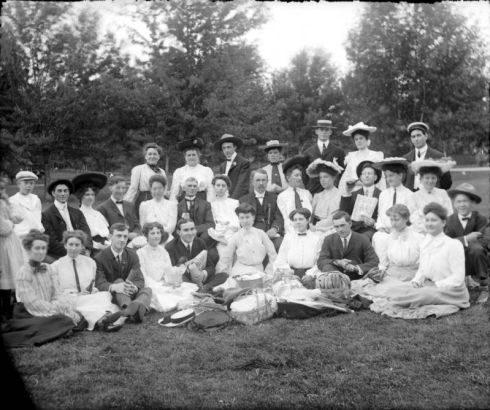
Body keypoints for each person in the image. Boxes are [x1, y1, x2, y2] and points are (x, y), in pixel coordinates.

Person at [368, 203, 470, 319]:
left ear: (443, 223)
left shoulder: (453, 244)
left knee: (418, 294)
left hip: (451, 290)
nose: (430, 224)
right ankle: (401, 297)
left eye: (434, 221)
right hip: (430, 285)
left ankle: (398, 301)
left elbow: (458, 276)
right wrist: (416, 281)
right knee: (403, 291)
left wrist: (436, 285)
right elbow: (423, 268)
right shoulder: (427, 241)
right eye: (427, 221)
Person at [52, 230, 123, 332]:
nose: (73, 248)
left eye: (77, 245)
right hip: (69, 298)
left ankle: (104, 320)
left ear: (82, 247)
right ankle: (103, 320)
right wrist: (74, 295)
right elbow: (55, 291)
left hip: (88, 295)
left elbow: (92, 284)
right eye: (70, 244)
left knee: (103, 296)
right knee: (81, 303)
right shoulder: (56, 266)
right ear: (65, 245)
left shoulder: (90, 263)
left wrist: (89, 291)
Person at [15, 230, 82, 325]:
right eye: (37, 248)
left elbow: (57, 292)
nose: (41, 252)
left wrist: (58, 306)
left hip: (52, 307)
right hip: (32, 312)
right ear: (28, 250)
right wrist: (54, 309)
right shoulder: (23, 273)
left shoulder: (49, 268)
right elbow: (31, 302)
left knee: (76, 316)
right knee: (64, 320)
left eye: (44, 248)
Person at [94, 223, 152, 323]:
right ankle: (135, 310)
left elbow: (139, 279)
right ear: (110, 237)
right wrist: (115, 287)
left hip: (130, 292)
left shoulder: (132, 255)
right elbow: (99, 283)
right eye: (118, 236)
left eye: (125, 236)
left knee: (147, 290)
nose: (122, 239)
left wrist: (133, 288)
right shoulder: (99, 258)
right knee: (119, 281)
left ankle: (132, 309)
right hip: (113, 295)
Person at [137, 222, 198, 312]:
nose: (156, 236)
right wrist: (160, 285)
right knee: (159, 295)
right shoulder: (140, 253)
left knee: (182, 290)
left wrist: (169, 281)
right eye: (152, 233)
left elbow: (168, 269)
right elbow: (143, 276)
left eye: (158, 233)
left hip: (164, 283)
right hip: (151, 285)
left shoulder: (163, 251)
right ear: (146, 236)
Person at [446, 183, 489, 304]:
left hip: (475, 256)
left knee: (477, 249)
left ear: (472, 203)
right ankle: (455, 284)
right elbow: (445, 242)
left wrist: (467, 244)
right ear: (454, 204)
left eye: (465, 201)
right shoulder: (449, 220)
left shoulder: (481, 218)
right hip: (454, 257)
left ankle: (484, 286)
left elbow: (484, 239)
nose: (462, 205)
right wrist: (465, 239)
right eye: (458, 201)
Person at [216, 203, 277, 277]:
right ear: (238, 219)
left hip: (258, 271)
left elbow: (273, 255)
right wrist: (223, 274)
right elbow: (225, 257)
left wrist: (268, 272)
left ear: (253, 217)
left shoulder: (261, 234)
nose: (245, 221)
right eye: (242, 218)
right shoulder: (236, 236)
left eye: (247, 217)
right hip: (240, 271)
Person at [166, 218, 228, 288]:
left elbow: (210, 266)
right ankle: (203, 290)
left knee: (224, 276)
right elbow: (173, 271)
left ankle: (201, 290)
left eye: (192, 229)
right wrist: (188, 263)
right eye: (186, 230)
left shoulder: (200, 242)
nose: (190, 233)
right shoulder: (170, 247)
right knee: (182, 280)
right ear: (178, 232)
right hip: (185, 281)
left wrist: (204, 274)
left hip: (201, 280)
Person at [317, 211, 379, 281]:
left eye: (342, 225)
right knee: (327, 267)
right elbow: (321, 261)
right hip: (335, 279)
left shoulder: (363, 239)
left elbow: (374, 261)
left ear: (350, 224)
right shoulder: (329, 239)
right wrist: (338, 262)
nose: (340, 229)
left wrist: (356, 268)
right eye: (336, 226)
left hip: (355, 278)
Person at [41, 179, 92, 262]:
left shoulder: (77, 213)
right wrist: (73, 251)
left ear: (69, 193)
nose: (63, 194)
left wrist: (87, 249)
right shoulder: (46, 215)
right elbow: (51, 242)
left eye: (65, 191)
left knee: (102, 257)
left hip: (81, 250)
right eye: (59, 191)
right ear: (53, 193)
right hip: (61, 253)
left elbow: (87, 233)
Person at [239, 169, 284, 252]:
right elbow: (243, 220)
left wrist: (274, 229)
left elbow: (279, 217)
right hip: (252, 233)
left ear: (267, 181)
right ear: (252, 182)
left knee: (280, 245)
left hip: (271, 233)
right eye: (258, 180)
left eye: (263, 180)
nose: (261, 183)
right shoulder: (244, 200)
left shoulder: (275, 198)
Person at [407, 159, 455, 234]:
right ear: (421, 179)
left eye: (433, 178)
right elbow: (413, 217)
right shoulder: (414, 196)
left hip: (439, 230)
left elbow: (449, 213)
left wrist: (438, 228)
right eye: (427, 178)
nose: (430, 181)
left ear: (437, 179)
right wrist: (425, 230)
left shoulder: (442, 193)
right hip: (419, 232)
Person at [0, 178, 25, 321]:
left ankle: (9, 307)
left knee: (10, 271)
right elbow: (4, 228)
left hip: (9, 242)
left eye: (2, 189)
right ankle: (5, 309)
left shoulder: (4, 202)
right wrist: (10, 223)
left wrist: (10, 209)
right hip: (3, 243)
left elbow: (19, 217)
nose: (1, 192)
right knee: (4, 273)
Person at [339, 160, 382, 241]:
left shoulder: (381, 194)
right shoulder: (354, 194)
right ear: (360, 178)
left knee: (361, 239)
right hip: (353, 228)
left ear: (375, 177)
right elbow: (343, 213)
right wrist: (347, 192)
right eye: (364, 174)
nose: (366, 176)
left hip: (371, 229)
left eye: (369, 174)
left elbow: (383, 216)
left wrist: (373, 222)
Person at [338, 122, 385, 195]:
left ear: (367, 140)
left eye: (361, 138)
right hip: (354, 192)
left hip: (371, 192)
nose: (358, 141)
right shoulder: (351, 157)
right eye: (356, 139)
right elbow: (346, 178)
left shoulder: (375, 156)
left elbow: (381, 179)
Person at [176, 177, 216, 261]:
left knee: (214, 255)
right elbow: (177, 225)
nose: (192, 188)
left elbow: (210, 224)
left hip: (202, 237)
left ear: (198, 189)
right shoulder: (178, 206)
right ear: (183, 188)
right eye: (189, 186)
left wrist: (194, 230)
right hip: (184, 237)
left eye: (194, 186)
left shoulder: (206, 204)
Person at [273, 208, 322, 279]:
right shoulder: (288, 238)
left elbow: (319, 262)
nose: (298, 222)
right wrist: (289, 274)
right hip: (291, 275)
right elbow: (281, 260)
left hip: (311, 276)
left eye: (301, 219)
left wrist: (311, 274)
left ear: (307, 220)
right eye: (295, 220)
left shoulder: (316, 239)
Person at [402, 122, 452, 191]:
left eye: (418, 135)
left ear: (426, 136)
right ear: (411, 139)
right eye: (413, 137)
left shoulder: (438, 156)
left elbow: (446, 183)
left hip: (431, 195)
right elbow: (403, 181)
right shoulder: (406, 158)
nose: (416, 139)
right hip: (411, 196)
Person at [303, 119, 346, 195]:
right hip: (314, 192)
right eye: (321, 129)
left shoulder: (339, 151)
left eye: (326, 130)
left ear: (330, 132)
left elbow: (343, 174)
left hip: (333, 193)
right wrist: (308, 190)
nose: (324, 132)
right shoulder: (308, 152)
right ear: (316, 131)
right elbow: (304, 176)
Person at [124, 142, 166, 216]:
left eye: (155, 154)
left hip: (160, 200)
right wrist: (125, 204)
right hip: (144, 199)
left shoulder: (162, 171)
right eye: (149, 154)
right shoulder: (138, 169)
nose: (152, 156)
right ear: (145, 156)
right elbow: (133, 188)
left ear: (159, 156)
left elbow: (164, 189)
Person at [72, 173, 110, 253]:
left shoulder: (98, 214)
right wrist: (99, 246)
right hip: (92, 250)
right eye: (87, 194)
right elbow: (83, 239)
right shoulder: (78, 215)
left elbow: (107, 234)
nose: (90, 197)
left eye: (93, 194)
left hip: (107, 246)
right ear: (80, 195)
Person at [97, 175, 142, 241]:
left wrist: (136, 234)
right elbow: (105, 231)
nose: (121, 191)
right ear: (110, 188)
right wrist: (127, 235)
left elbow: (137, 224)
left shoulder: (129, 205)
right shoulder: (102, 209)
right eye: (118, 188)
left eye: (123, 188)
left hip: (134, 241)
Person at [306, 158, 343, 237]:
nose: (322, 180)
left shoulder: (338, 194)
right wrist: (310, 225)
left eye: (325, 177)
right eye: (320, 177)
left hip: (331, 228)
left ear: (333, 178)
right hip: (315, 228)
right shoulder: (317, 196)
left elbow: (332, 219)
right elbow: (311, 217)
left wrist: (316, 227)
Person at [169, 138, 214, 202]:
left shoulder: (207, 170)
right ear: (185, 157)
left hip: (202, 200)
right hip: (185, 201)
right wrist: (173, 207)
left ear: (198, 156)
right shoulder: (179, 171)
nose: (191, 157)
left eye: (193, 155)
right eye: (189, 155)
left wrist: (210, 206)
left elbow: (211, 190)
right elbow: (174, 192)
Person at [277, 155, 313, 235]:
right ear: (288, 177)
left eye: (300, 175)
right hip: (291, 231)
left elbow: (311, 214)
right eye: (296, 175)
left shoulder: (306, 193)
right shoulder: (282, 196)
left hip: (310, 230)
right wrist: (293, 233)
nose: (300, 178)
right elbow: (285, 218)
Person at [207, 175, 240, 251]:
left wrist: (230, 229)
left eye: (223, 185)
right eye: (218, 185)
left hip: (233, 231)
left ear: (227, 188)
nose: (220, 188)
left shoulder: (234, 202)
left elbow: (236, 219)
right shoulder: (210, 204)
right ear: (214, 187)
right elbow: (213, 221)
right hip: (218, 233)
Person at [9, 171, 44, 240]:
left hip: (37, 235)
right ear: (18, 184)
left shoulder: (36, 199)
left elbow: (38, 217)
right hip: (21, 237)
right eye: (25, 183)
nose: (29, 186)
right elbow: (15, 222)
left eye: (31, 183)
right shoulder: (12, 201)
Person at [215, 134, 250, 199]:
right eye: (224, 148)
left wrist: (232, 201)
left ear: (235, 147)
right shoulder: (222, 165)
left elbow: (242, 185)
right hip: (225, 199)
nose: (226, 150)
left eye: (229, 147)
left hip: (238, 200)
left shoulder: (244, 162)